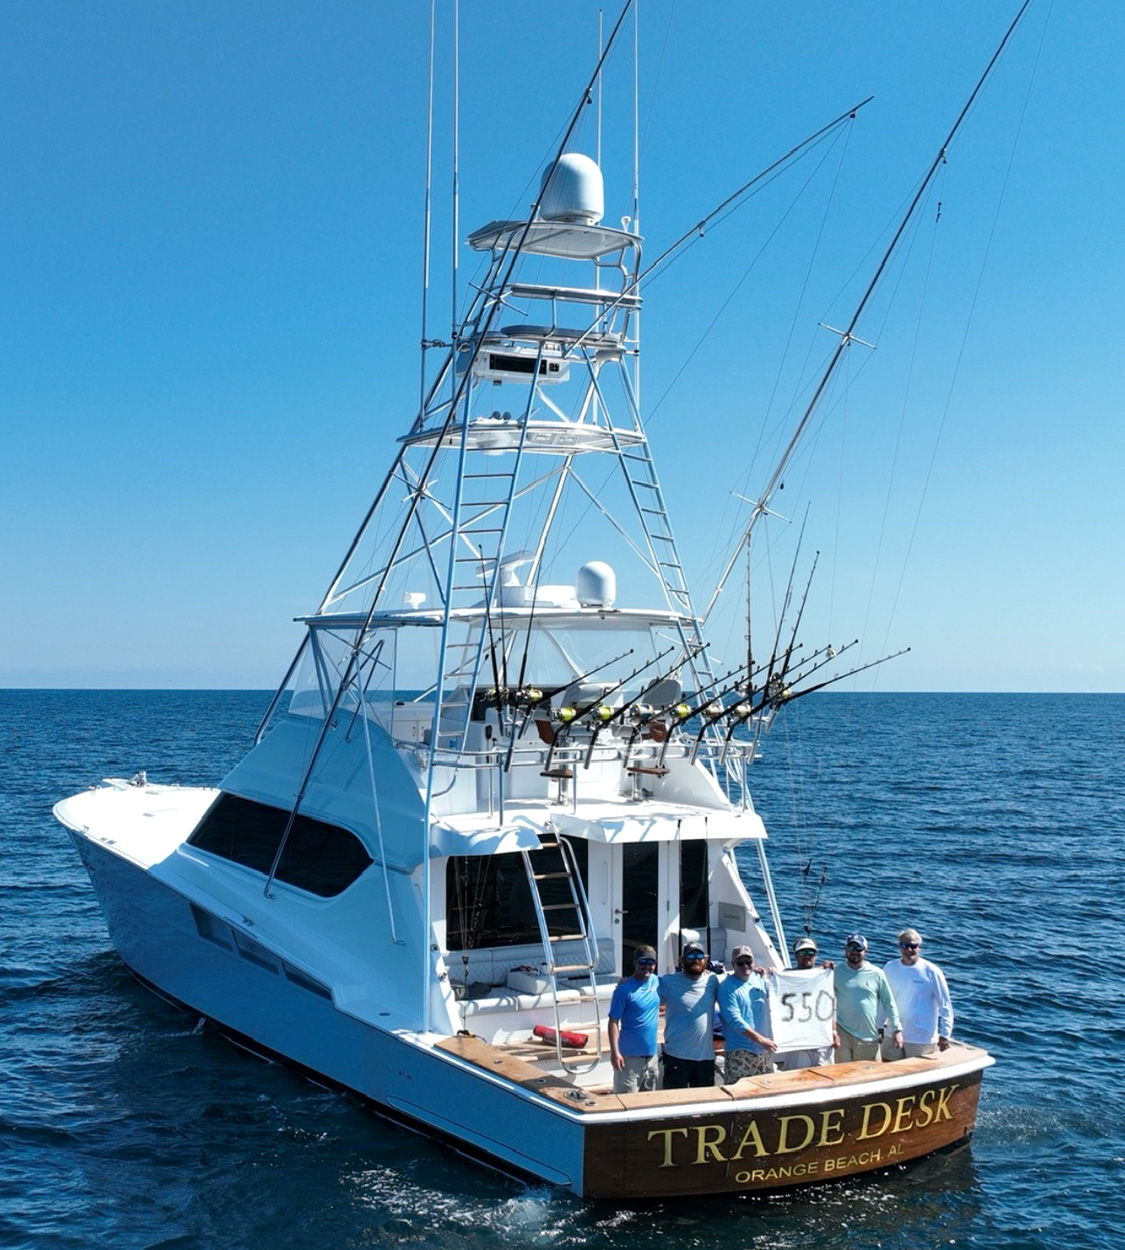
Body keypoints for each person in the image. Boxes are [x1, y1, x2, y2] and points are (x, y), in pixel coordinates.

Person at [880, 928, 954, 1059]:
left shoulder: (932, 971)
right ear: (899, 947)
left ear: (919, 947)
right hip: (891, 1034)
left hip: (921, 1039)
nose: (909, 950)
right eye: (905, 945)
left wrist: (945, 1035)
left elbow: (945, 1005)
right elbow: (883, 1000)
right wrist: (879, 1025)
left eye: (913, 946)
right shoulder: (889, 967)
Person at [658, 942, 719, 1088]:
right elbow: (645, 991)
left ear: (706, 958)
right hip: (675, 1056)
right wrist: (628, 982)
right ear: (681, 960)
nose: (695, 959)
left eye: (699, 955)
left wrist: (763, 974)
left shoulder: (714, 981)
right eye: (690, 955)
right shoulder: (668, 982)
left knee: (705, 1106)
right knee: (674, 1105)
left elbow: (739, 981)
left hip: (705, 1058)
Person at [833, 933, 902, 1062]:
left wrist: (896, 1029)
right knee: (842, 1074)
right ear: (845, 950)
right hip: (843, 1033)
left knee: (869, 1075)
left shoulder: (877, 974)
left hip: (868, 1036)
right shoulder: (835, 971)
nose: (854, 952)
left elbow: (889, 1002)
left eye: (858, 949)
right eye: (851, 948)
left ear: (866, 951)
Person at [773, 936, 837, 1070]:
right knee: (795, 1080)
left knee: (825, 1079)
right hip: (797, 1043)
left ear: (816, 955)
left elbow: (831, 1008)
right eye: (802, 953)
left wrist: (834, 1032)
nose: (806, 956)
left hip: (821, 1041)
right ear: (795, 955)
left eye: (810, 953)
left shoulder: (824, 975)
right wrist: (770, 974)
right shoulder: (784, 977)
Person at [607, 945, 661, 1093]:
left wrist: (706, 972)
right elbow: (613, 1022)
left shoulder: (656, 982)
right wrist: (614, 1052)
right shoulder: (623, 990)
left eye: (651, 962)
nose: (647, 966)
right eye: (643, 962)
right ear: (635, 963)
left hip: (651, 1058)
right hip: (629, 1059)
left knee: (649, 1107)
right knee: (625, 1106)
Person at [718, 944, 777, 1080]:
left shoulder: (760, 980)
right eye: (740, 963)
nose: (745, 965)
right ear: (733, 964)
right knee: (739, 1095)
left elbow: (780, 995)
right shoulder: (726, 987)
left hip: (764, 1050)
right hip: (740, 1052)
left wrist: (775, 975)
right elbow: (734, 1020)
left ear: (754, 962)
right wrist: (761, 1040)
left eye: (748, 962)